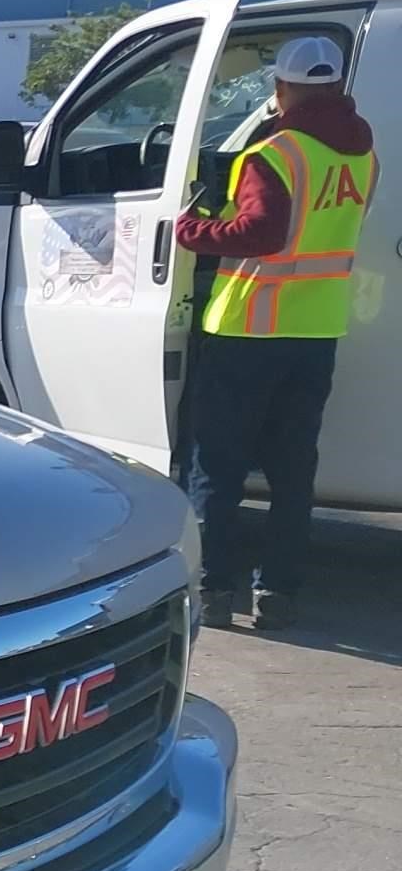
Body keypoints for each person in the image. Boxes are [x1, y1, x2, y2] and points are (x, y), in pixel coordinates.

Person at [176, 34, 378, 630]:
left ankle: (213, 591)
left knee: (217, 465)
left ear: (282, 88)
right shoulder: (363, 153)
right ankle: (278, 595)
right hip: (315, 330)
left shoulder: (276, 152)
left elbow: (261, 235)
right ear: (337, 85)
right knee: (293, 471)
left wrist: (193, 229)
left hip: (249, 326)